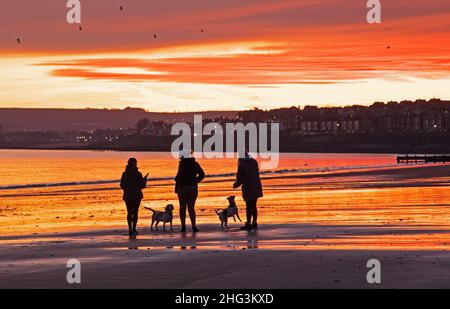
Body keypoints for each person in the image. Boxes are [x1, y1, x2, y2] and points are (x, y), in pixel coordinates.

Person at [175, 150, 205, 233]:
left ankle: (183, 227)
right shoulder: (195, 164)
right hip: (192, 188)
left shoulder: (182, 164)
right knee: (191, 208)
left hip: (182, 188)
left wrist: (176, 186)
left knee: (182, 208)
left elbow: (178, 177)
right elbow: (202, 174)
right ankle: (194, 226)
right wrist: (195, 181)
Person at [233, 152, 263, 230]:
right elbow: (256, 173)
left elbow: (240, 178)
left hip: (248, 187)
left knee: (248, 206)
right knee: (253, 205)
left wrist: (235, 185)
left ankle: (248, 223)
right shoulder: (254, 162)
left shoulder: (242, 164)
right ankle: (254, 222)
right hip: (256, 185)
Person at [120, 158, 148, 237]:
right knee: (135, 213)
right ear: (135, 164)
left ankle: (130, 228)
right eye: (136, 163)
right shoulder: (138, 174)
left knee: (129, 212)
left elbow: (121, 185)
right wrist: (145, 180)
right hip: (136, 195)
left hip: (128, 195)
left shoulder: (124, 174)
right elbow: (142, 185)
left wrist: (128, 187)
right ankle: (134, 228)